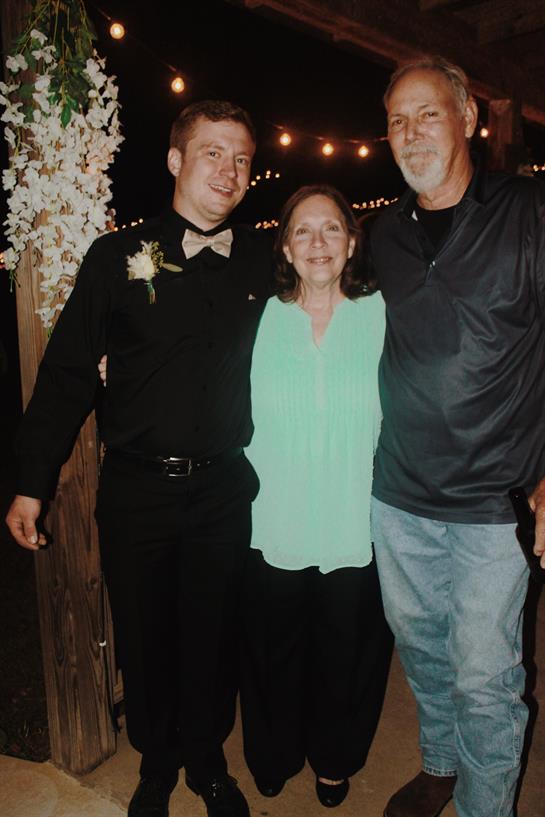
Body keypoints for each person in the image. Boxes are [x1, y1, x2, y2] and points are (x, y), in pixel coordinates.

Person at [5, 100, 273, 817]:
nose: (230, 169)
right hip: (137, 491)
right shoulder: (115, 257)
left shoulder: (260, 257)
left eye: (242, 157)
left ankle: (208, 759)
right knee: (146, 632)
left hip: (223, 490)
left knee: (214, 631)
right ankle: (156, 761)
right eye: (213, 151)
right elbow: (65, 375)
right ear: (175, 160)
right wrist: (30, 484)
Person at [367, 56, 545, 817]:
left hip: (491, 503)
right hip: (398, 496)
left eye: (426, 113)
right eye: (396, 121)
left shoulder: (528, 211)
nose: (410, 133)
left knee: (484, 677)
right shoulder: (382, 233)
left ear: (470, 119)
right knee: (422, 648)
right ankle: (439, 763)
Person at [240, 185, 392, 808]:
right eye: (303, 231)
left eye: (331, 229)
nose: (318, 243)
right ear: (285, 246)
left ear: (352, 242)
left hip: (355, 517)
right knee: (273, 650)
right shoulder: (257, 316)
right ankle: (273, 753)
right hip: (272, 515)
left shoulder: (382, 311)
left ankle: (335, 756)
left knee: (347, 651)